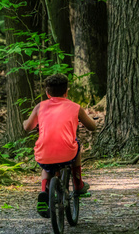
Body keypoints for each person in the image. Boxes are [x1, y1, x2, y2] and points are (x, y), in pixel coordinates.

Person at [23, 74, 97, 217]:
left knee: (46, 167)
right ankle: (78, 184)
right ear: (66, 92)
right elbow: (92, 127)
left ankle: (44, 191)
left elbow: (27, 127)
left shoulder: (40, 106)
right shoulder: (75, 107)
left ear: (47, 92)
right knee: (77, 147)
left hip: (44, 153)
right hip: (67, 153)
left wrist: (25, 122)